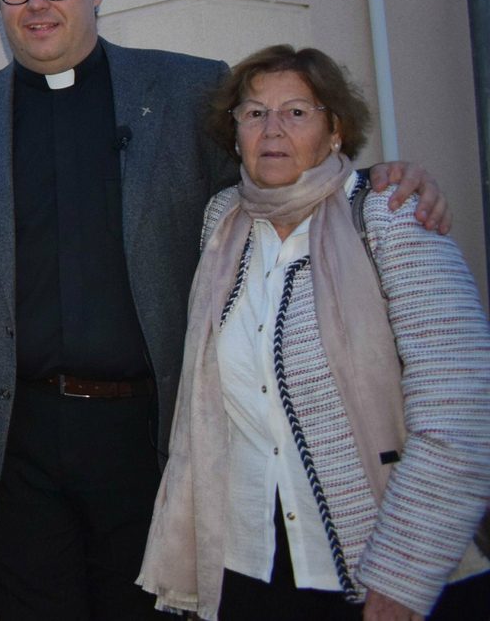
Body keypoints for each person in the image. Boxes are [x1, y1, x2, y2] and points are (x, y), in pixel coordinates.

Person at [0, 0, 449, 621]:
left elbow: (274, 183)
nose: (37, 3)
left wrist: (371, 181)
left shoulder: (188, 92)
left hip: (151, 439)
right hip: (10, 444)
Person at [139, 45, 490, 621]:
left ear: (335, 131)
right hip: (249, 565)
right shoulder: (223, 223)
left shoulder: (391, 215)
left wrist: (403, 577)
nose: (272, 129)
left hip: (378, 565)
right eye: (254, 113)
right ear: (235, 134)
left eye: (297, 112)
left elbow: (461, 412)